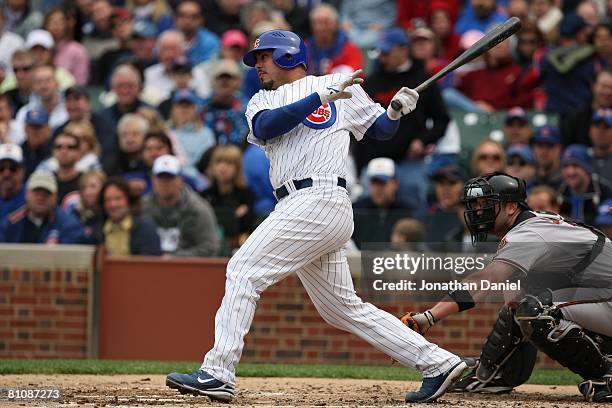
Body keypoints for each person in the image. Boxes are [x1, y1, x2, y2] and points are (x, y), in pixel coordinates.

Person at [166, 29, 467, 404]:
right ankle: (436, 362)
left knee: (243, 270)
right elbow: (266, 127)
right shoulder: (261, 100)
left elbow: (380, 131)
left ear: (290, 55)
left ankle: (218, 371)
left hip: (321, 197)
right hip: (299, 203)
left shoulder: (339, 84)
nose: (258, 64)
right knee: (340, 308)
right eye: (256, 59)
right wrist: (319, 98)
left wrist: (395, 110)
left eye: (264, 57)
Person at [404, 172, 612, 402]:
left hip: (606, 301)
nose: (478, 211)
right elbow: (513, 303)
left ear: (511, 207)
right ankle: (492, 375)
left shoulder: (528, 232)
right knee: (520, 307)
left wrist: (428, 317)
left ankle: (605, 375)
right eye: (475, 204)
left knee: (535, 312)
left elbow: (480, 284)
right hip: (599, 300)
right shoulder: (529, 227)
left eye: (486, 204)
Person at [357, 27, 450, 212]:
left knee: (413, 213)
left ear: (403, 49)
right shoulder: (371, 82)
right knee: (368, 216)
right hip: (375, 161)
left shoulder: (422, 80)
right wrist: (362, 163)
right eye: (380, 52)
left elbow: (441, 120)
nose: (382, 56)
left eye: (387, 51)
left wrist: (422, 141)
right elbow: (360, 123)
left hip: (408, 161)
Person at [142, 155, 219, 257]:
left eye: (170, 178)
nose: (164, 183)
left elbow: (210, 247)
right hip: (149, 267)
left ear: (180, 180)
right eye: (160, 178)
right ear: (153, 180)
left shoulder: (198, 209)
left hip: (187, 270)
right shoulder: (143, 207)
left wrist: (175, 258)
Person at [0, 170, 85, 244]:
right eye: (36, 193)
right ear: (27, 194)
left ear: (55, 196)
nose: (41, 198)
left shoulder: (69, 225)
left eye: (46, 193)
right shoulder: (11, 223)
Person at [352, 157, 419, 248]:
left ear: (396, 183)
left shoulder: (408, 211)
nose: (378, 188)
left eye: (383, 183)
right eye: (374, 182)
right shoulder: (356, 210)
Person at [200, 145, 255, 251]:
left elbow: (246, 226)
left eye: (229, 163)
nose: (223, 168)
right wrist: (234, 215)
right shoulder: (204, 195)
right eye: (219, 162)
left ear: (237, 168)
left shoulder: (246, 195)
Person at [100, 176, 162, 256]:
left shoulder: (145, 227)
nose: (113, 204)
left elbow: (151, 264)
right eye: (108, 200)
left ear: (128, 200)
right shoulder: (99, 228)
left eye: (118, 198)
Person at [558, 144, 612, 225]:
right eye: (566, 166)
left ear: (587, 168)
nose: (570, 172)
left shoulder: (605, 192)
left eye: (575, 166)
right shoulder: (559, 192)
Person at [167, 89, 215, 179]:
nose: (184, 110)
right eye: (180, 106)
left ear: (195, 109)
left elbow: (208, 161)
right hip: (172, 177)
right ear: (173, 109)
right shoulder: (166, 132)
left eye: (188, 106)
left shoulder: (206, 134)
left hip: (199, 178)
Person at [200, 58, 249, 147]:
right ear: (214, 81)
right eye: (221, 78)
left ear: (238, 82)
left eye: (229, 78)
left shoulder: (248, 107)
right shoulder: (203, 107)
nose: (224, 82)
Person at [306, 3, 363, 76]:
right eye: (316, 23)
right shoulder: (305, 48)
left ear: (336, 24)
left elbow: (355, 76)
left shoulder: (350, 49)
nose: (321, 28)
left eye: (326, 22)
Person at [561, 68, 612, 147]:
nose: (607, 91)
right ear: (594, 86)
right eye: (603, 86)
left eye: (611, 87)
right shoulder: (576, 118)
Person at [43, 8, 90, 85]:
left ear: (67, 24)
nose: (55, 25)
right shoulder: (38, 49)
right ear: (45, 25)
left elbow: (80, 82)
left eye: (60, 22)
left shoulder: (78, 50)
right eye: (51, 21)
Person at [424, 165, 467, 243]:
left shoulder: (473, 217)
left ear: (464, 186)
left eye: (452, 183)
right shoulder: (425, 215)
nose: (446, 188)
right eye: (441, 183)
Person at [174, 0, 220, 66]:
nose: (188, 21)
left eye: (194, 17)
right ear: (175, 18)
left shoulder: (211, 42)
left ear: (201, 20)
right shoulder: (167, 40)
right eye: (182, 15)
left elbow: (209, 68)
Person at [69, 169, 106, 244]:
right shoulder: (75, 214)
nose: (88, 192)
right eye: (83, 188)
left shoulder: (109, 213)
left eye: (93, 186)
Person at [49, 131, 82, 207]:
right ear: (53, 151)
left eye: (70, 147)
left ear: (79, 152)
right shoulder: (47, 180)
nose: (64, 151)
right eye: (59, 147)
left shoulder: (85, 182)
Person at [21, 107, 53, 178]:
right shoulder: (19, 151)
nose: (34, 131)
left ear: (48, 130)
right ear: (25, 128)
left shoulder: (54, 151)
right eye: (31, 126)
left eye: (38, 127)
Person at [0, 143, 26, 219]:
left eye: (13, 168)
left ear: (22, 171)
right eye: (1, 168)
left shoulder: (31, 199)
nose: (6, 174)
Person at [590, 108, 612, 184]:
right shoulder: (583, 157)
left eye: (606, 127)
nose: (601, 131)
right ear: (590, 130)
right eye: (597, 126)